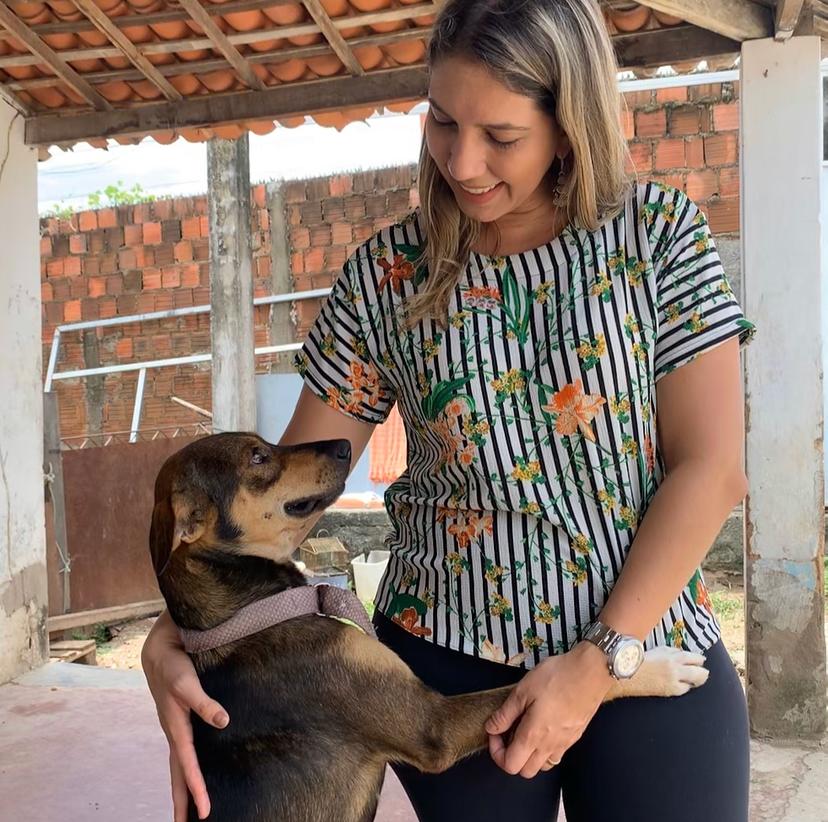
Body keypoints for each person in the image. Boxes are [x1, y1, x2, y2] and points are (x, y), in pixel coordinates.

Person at [142, 1, 756, 819]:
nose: (462, 162)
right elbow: (280, 492)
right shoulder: (386, 276)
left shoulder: (657, 237)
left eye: (500, 136)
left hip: (646, 643)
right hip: (448, 663)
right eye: (441, 122)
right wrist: (179, 628)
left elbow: (711, 468)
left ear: (568, 123)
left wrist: (599, 661)